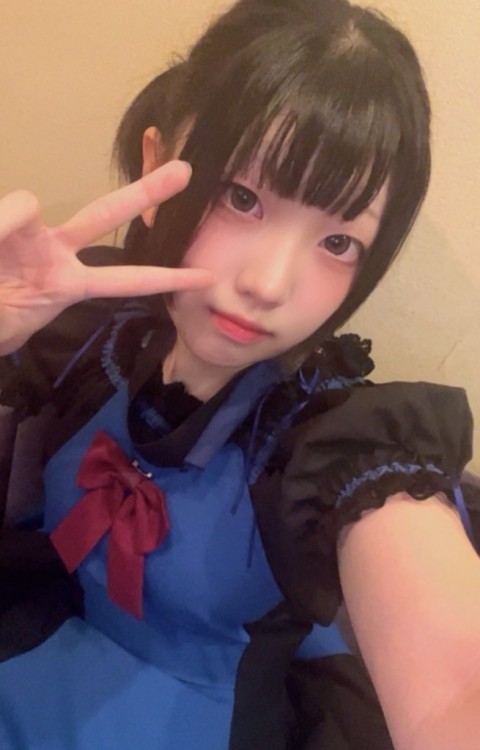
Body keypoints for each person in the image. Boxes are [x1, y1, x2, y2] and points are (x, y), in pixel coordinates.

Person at [0, 0, 479, 748]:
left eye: (339, 242)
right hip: (40, 657)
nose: (269, 284)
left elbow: (455, 690)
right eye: (242, 197)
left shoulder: (335, 443)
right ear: (157, 164)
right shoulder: (86, 326)